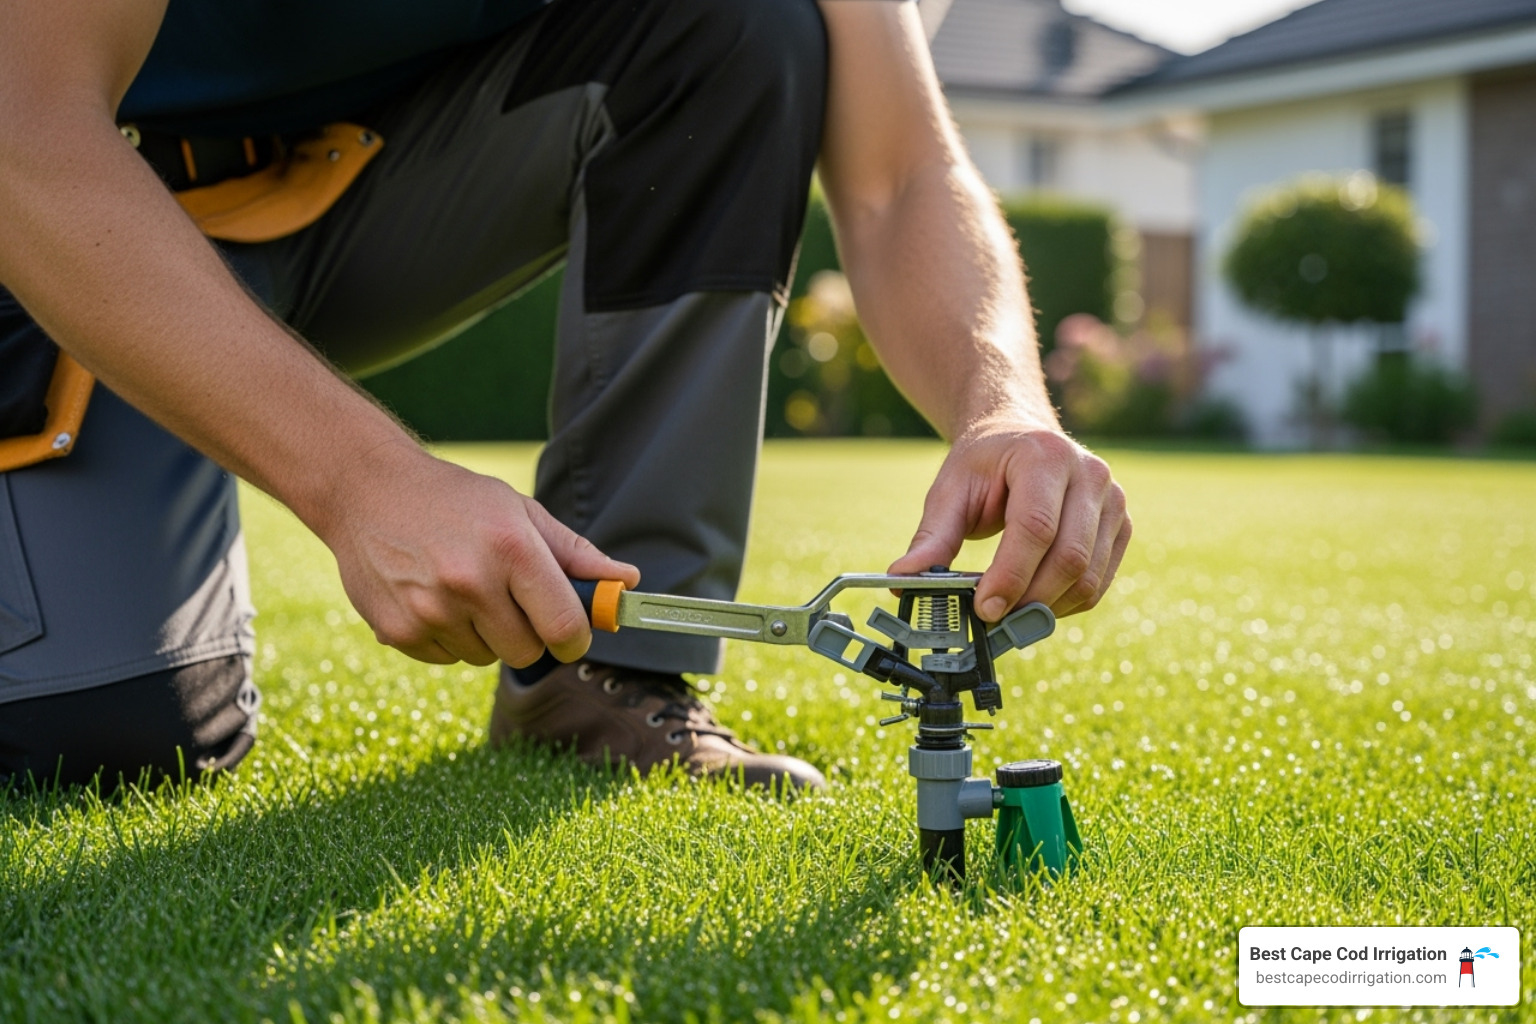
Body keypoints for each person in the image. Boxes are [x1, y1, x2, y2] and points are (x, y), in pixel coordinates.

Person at [0, 0, 1131, 791]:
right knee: (108, 739)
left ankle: (609, 678)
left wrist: (1007, 408)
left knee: (740, 23)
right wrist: (362, 482)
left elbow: (896, 177)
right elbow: (24, 132)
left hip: (364, 184)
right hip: (58, 209)